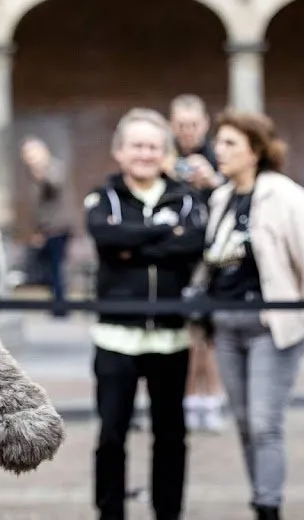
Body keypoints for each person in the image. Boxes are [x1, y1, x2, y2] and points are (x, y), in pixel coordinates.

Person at [202, 111, 304, 520]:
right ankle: (261, 497)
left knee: (263, 422)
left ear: (256, 150)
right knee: (242, 421)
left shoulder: (285, 195)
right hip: (225, 324)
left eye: (230, 144)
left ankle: (269, 507)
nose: (219, 151)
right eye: (218, 142)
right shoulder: (220, 198)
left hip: (269, 325)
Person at [85, 108, 208, 520]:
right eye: (137, 145)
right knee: (111, 436)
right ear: (119, 151)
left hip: (171, 336)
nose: (145, 153)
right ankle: (110, 512)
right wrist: (163, 231)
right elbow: (105, 237)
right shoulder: (104, 198)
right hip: (115, 337)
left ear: (166, 152)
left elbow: (191, 246)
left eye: (154, 146)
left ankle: (168, 512)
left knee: (171, 435)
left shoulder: (186, 197)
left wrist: (132, 247)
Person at [167, 94, 227, 433]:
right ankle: (191, 397)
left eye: (193, 124)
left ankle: (212, 398)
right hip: (177, 257)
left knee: (209, 333)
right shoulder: (164, 157)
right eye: (181, 125)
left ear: (205, 124)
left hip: (212, 257)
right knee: (189, 334)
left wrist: (212, 183)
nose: (187, 131)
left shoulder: (218, 158)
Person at [19, 136, 73, 316]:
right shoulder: (33, 174)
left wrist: (42, 171)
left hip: (58, 228)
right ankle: (56, 301)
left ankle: (60, 306)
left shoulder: (53, 169)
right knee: (48, 266)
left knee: (56, 267)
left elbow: (53, 185)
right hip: (46, 228)